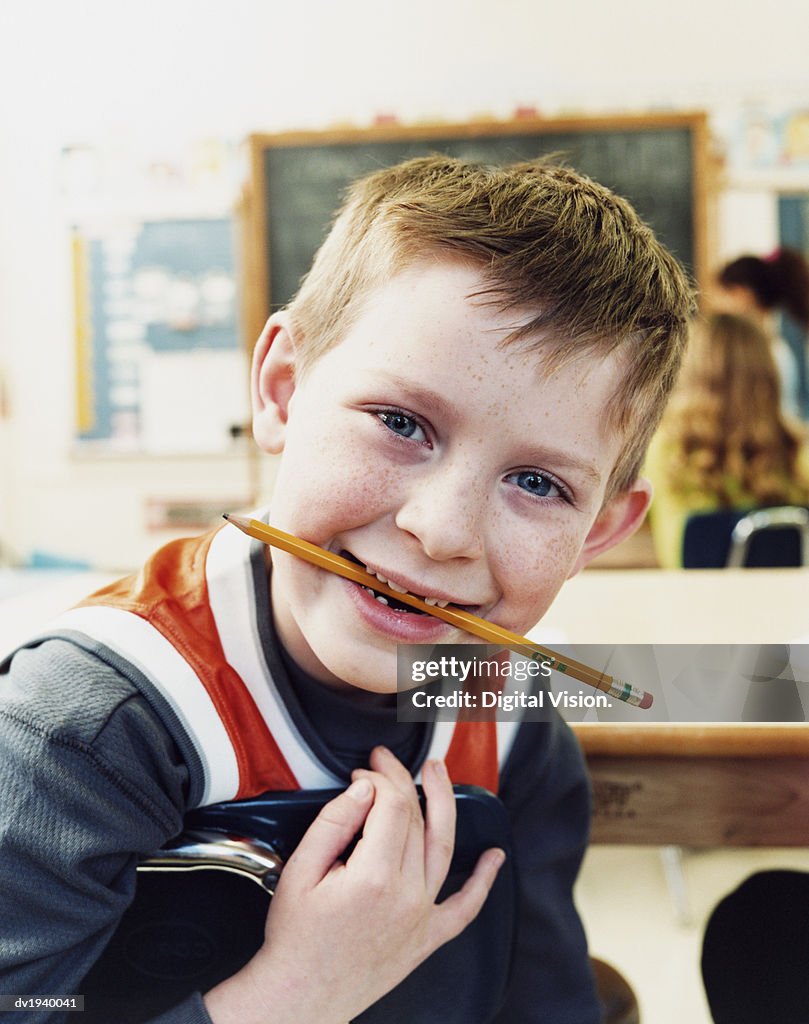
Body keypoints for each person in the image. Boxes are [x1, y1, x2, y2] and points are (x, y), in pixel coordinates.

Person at [0, 156, 695, 1024]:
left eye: (537, 484)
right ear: (282, 391)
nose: (442, 531)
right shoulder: (87, 725)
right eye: (401, 424)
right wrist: (293, 997)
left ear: (596, 531)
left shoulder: (517, 725)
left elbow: (540, 997)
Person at [645, 311, 809, 569]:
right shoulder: (795, 448)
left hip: (692, 599)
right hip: (783, 600)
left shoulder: (666, 450)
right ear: (768, 373)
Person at [714, 247, 809, 418]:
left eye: (725, 294)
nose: (718, 305)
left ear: (743, 294)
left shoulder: (773, 357)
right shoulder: (774, 353)